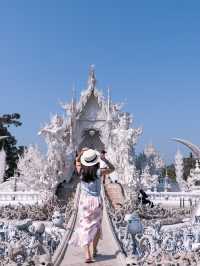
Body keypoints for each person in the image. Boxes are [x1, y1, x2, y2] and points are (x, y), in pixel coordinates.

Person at [70, 148, 115, 263]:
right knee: (96, 227)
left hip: (85, 201)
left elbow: (77, 161)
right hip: (97, 201)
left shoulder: (81, 172)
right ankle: (94, 249)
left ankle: (87, 254)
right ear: (96, 161)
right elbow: (112, 169)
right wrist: (104, 159)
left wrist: (81, 153)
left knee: (84, 227)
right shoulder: (99, 172)